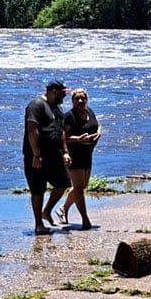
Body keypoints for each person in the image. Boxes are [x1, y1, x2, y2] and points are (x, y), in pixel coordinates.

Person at [23, 80, 72, 235]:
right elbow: (32, 130)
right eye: (63, 93)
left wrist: (65, 152)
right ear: (54, 92)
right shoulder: (36, 105)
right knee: (38, 190)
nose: (64, 97)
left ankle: (47, 211)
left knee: (63, 183)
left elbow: (61, 131)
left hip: (55, 155)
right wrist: (36, 155)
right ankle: (39, 224)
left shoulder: (57, 108)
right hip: (36, 156)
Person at [57, 88, 102, 230]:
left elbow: (97, 125)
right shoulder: (69, 116)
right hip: (74, 154)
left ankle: (63, 209)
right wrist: (78, 139)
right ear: (72, 101)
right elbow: (62, 136)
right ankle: (85, 219)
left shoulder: (90, 112)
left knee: (81, 186)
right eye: (77, 99)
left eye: (83, 98)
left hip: (87, 153)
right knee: (78, 188)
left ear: (87, 99)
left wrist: (99, 133)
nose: (80, 101)